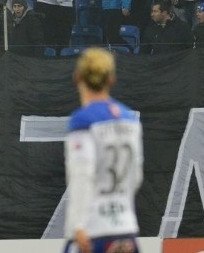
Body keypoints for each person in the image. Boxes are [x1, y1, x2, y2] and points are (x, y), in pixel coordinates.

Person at [64, 48, 143, 253]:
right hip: (126, 228)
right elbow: (135, 176)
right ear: (111, 79)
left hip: (93, 229)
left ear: (77, 77)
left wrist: (78, 225)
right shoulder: (130, 119)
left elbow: (82, 174)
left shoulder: (83, 120)